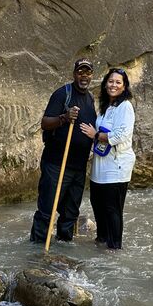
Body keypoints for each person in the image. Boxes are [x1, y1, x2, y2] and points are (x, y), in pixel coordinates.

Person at [30, 58, 97, 243]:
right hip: (57, 165)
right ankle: (36, 251)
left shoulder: (90, 99)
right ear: (74, 74)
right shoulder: (62, 94)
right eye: (80, 72)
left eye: (88, 72)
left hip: (78, 167)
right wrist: (64, 117)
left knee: (71, 213)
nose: (84, 76)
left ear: (92, 75)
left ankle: (64, 248)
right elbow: (45, 123)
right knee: (47, 211)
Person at [80, 68, 136, 250]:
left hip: (117, 165)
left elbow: (120, 135)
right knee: (97, 203)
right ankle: (101, 240)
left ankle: (114, 248)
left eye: (118, 82)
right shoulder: (106, 107)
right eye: (110, 81)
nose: (113, 85)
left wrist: (95, 135)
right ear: (105, 84)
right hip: (100, 165)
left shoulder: (125, 106)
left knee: (113, 209)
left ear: (124, 86)